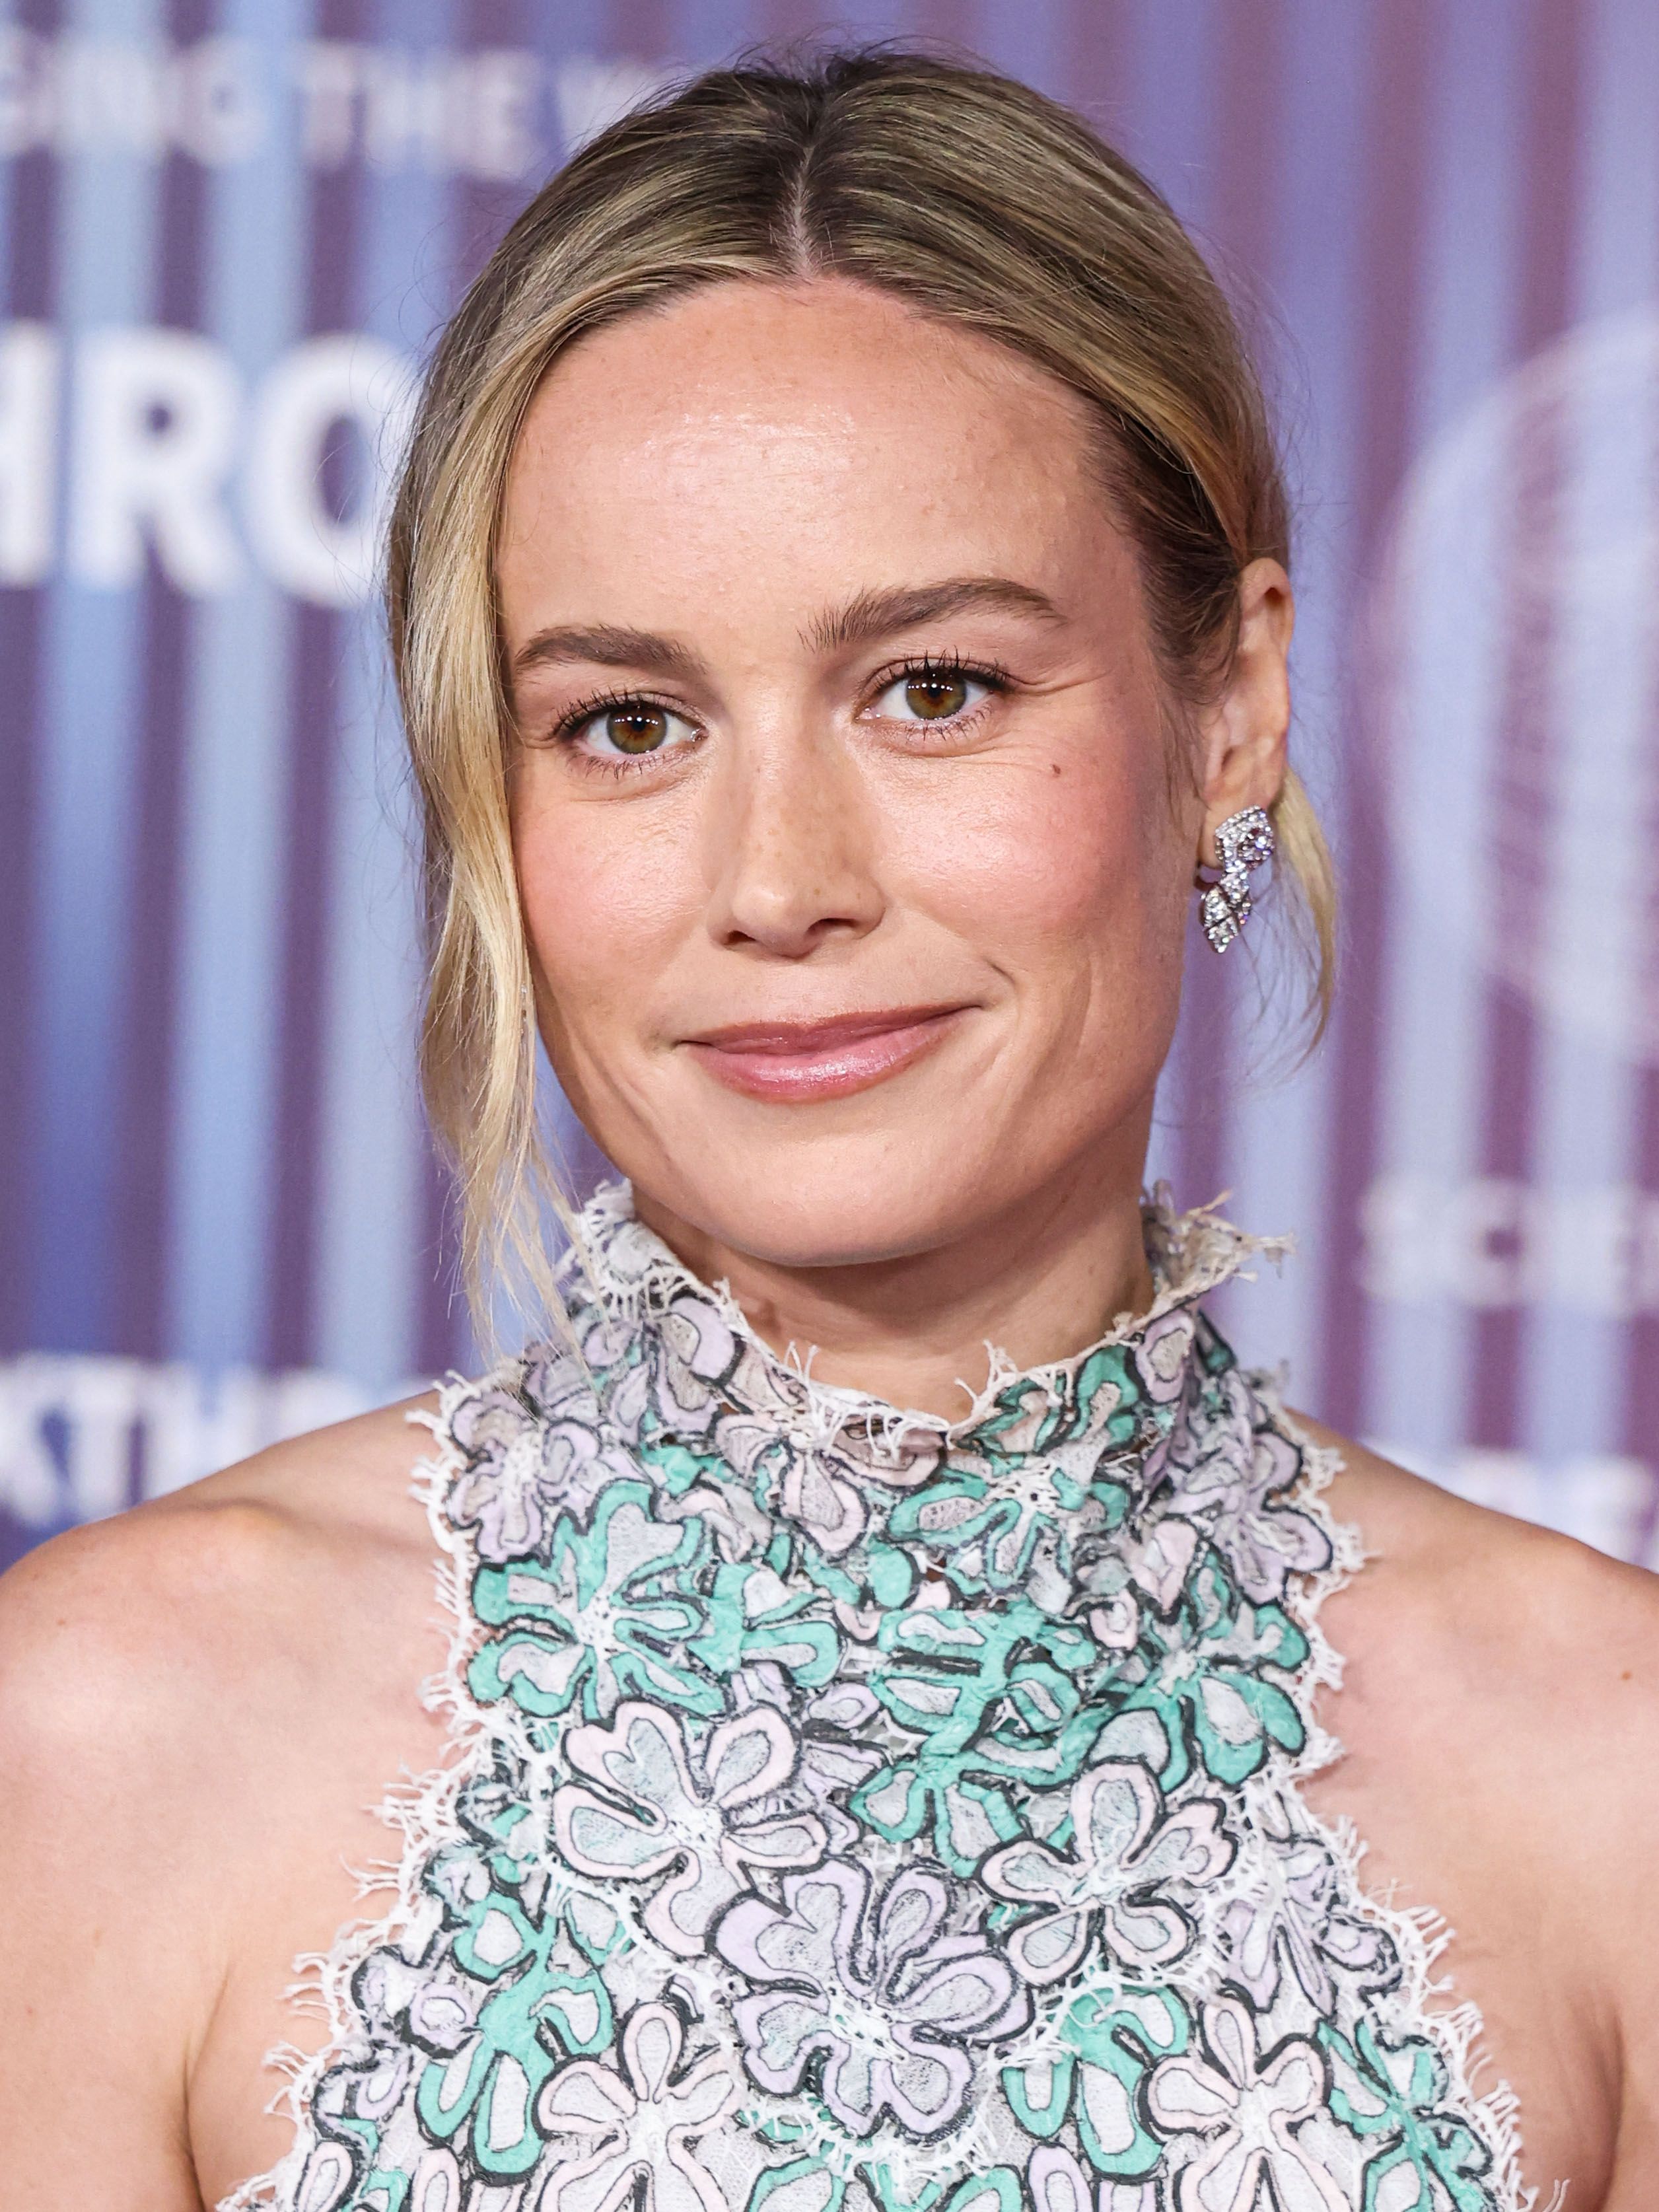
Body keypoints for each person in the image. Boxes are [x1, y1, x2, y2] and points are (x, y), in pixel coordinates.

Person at [1, 46, 1654, 2212]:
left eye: (936, 688)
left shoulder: (1611, 1782)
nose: (779, 878)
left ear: (1229, 709)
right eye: (628, 723)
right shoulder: (101, 1739)